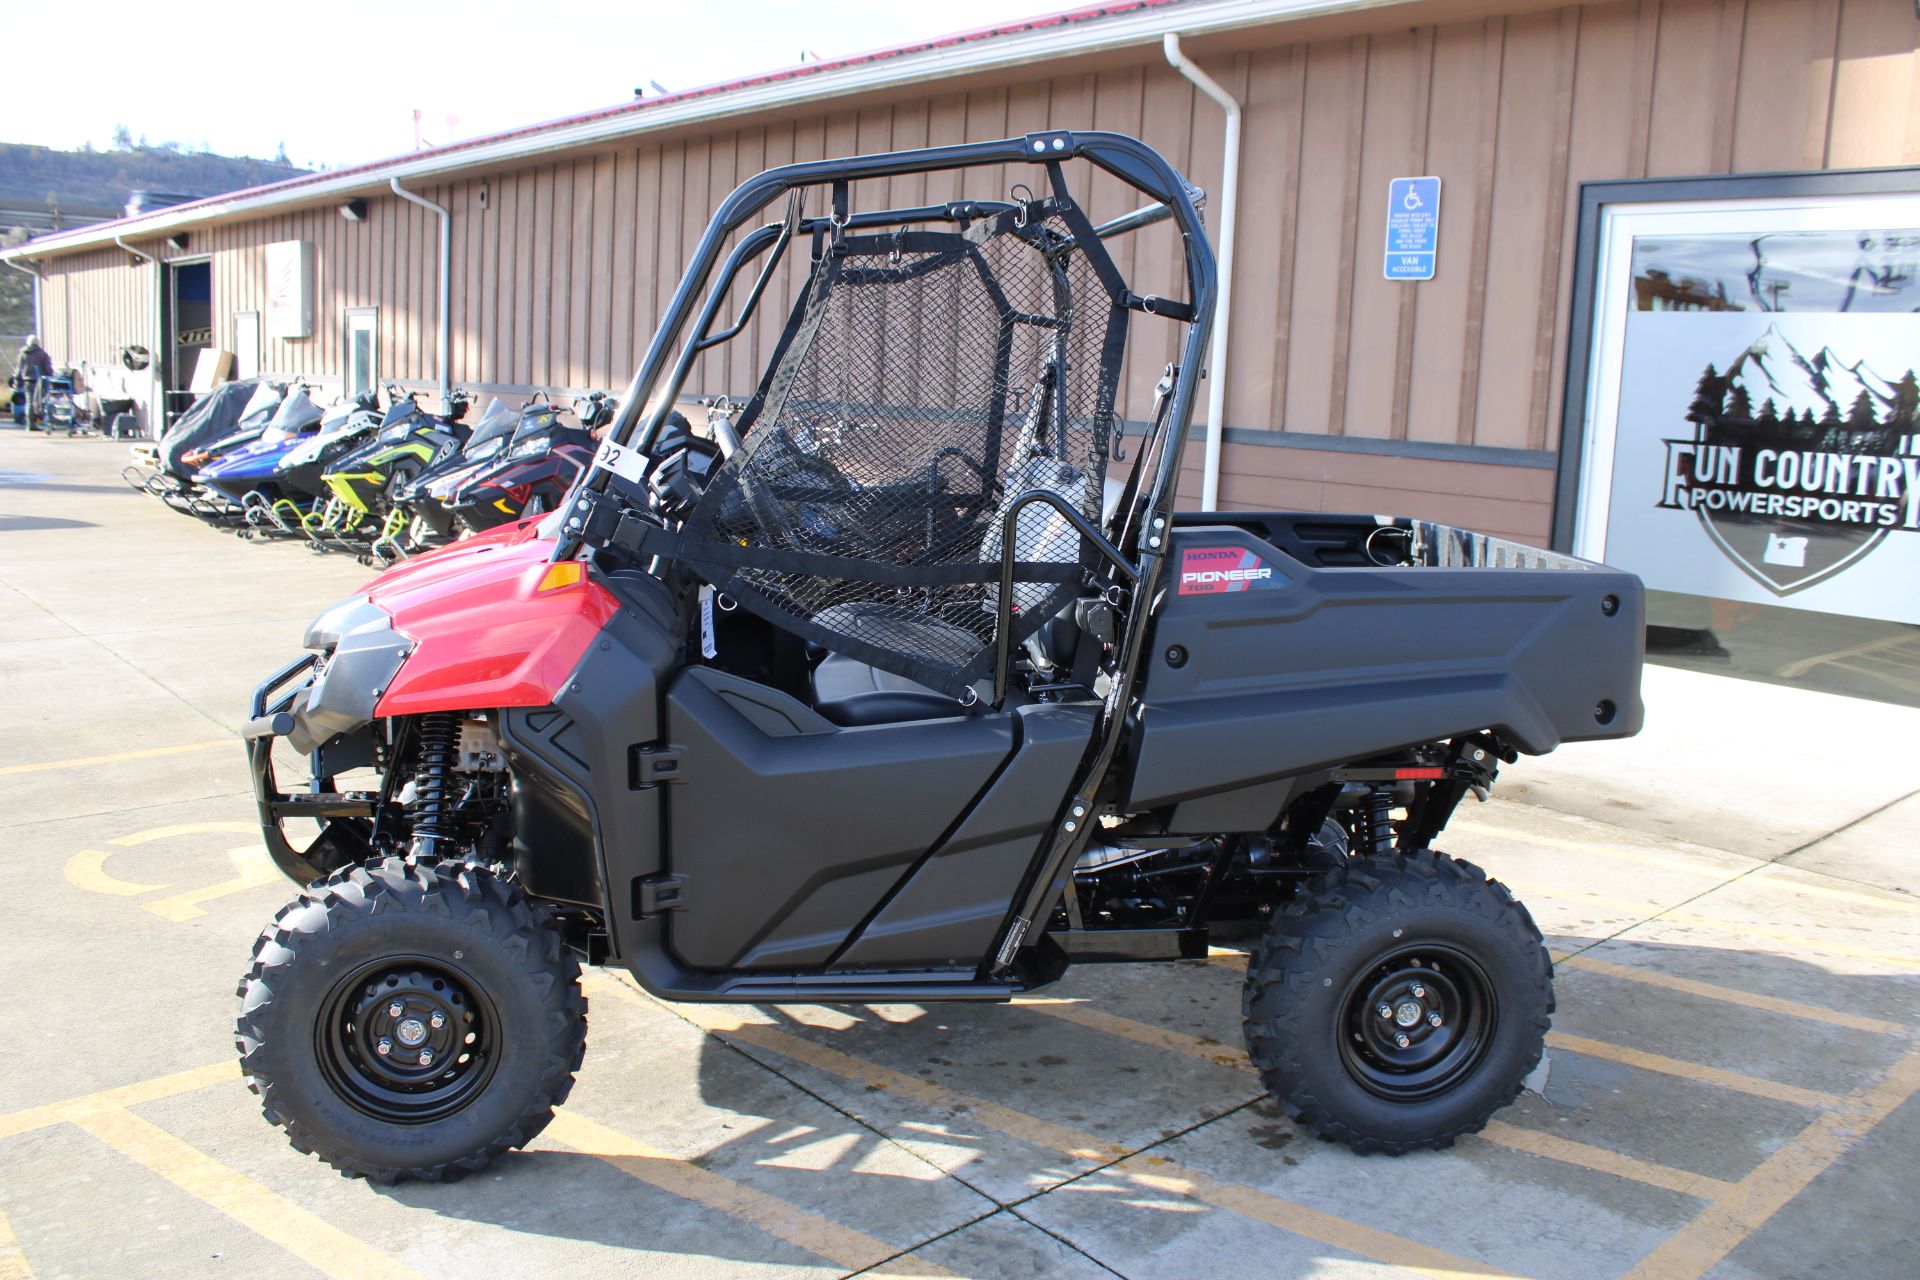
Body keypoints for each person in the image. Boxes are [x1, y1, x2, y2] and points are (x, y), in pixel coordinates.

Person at [14, 335, 54, 429]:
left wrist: (17, 382)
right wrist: (51, 376)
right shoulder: (43, 354)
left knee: (29, 403)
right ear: (37, 343)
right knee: (41, 403)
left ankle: (30, 424)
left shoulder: (23, 354)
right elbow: (48, 369)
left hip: (27, 381)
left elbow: (19, 369)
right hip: (40, 382)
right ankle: (41, 422)